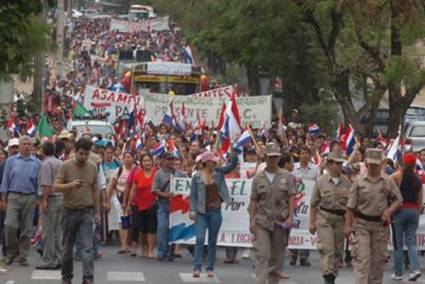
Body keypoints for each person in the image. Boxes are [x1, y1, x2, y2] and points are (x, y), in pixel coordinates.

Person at [345, 148, 402, 284]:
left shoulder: (387, 181)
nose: (374, 167)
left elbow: (398, 200)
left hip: (380, 227)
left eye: (377, 164)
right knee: (362, 261)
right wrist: (347, 226)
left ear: (381, 163)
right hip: (361, 225)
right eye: (371, 164)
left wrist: (389, 210)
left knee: (377, 263)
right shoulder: (359, 181)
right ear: (366, 163)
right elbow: (350, 207)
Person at [54, 138, 100, 284]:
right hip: (69, 210)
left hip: (86, 210)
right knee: (68, 246)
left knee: (87, 247)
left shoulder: (93, 166)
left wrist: (97, 212)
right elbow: (56, 186)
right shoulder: (66, 166)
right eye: (81, 154)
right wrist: (71, 185)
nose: (83, 157)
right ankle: (66, 276)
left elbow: (95, 190)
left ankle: (88, 277)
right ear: (75, 151)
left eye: (86, 154)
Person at [249, 142, 295, 284]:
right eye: (270, 157)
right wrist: (252, 221)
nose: (273, 160)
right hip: (262, 220)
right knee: (262, 254)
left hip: (280, 221)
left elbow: (291, 197)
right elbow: (254, 201)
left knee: (276, 256)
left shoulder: (286, 176)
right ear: (265, 158)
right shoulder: (258, 178)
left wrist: (290, 217)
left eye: (275, 157)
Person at [189, 150, 238, 277]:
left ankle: (210, 268)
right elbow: (193, 195)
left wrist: (234, 153)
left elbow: (232, 165)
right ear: (206, 162)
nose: (215, 163)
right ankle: (197, 267)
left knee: (212, 241)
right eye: (212, 161)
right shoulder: (197, 176)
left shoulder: (219, 173)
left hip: (215, 212)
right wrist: (192, 210)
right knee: (199, 239)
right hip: (201, 213)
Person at [309, 151, 351, 284]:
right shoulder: (321, 181)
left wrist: (349, 225)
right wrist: (312, 222)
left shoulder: (346, 182)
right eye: (336, 163)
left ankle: (332, 275)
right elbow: (313, 204)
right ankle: (328, 278)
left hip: (340, 219)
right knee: (328, 249)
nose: (339, 166)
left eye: (340, 163)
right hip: (324, 218)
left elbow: (350, 207)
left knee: (338, 251)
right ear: (329, 164)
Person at [0, 136, 41, 266]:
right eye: (24, 143)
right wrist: (3, 199)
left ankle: (23, 255)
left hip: (30, 197)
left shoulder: (37, 163)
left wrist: (39, 199)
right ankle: (11, 253)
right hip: (13, 196)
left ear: (32, 146)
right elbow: (5, 181)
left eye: (29, 144)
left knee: (26, 228)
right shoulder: (11, 161)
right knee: (9, 225)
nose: (26, 146)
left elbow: (39, 183)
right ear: (19, 145)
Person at [391, 153, 423, 281]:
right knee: (411, 242)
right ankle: (415, 269)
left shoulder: (398, 175)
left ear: (404, 163)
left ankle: (398, 273)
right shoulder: (418, 179)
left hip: (400, 210)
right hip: (414, 211)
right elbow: (420, 200)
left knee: (398, 242)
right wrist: (417, 212)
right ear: (415, 164)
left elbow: (387, 181)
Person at [152, 152, 185, 261]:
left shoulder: (180, 174)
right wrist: (165, 195)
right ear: (163, 160)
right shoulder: (158, 174)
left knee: (175, 229)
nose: (172, 161)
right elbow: (154, 190)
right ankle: (162, 251)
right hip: (163, 204)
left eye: (173, 159)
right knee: (162, 227)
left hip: (177, 206)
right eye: (169, 159)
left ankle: (171, 251)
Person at [36, 142, 64, 270]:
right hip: (61, 198)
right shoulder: (59, 162)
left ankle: (49, 260)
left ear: (43, 151)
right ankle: (59, 258)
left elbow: (46, 184)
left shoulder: (46, 164)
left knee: (47, 232)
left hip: (51, 199)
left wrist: (44, 200)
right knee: (57, 231)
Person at [290, 146, 319, 266]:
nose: (305, 155)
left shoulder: (315, 169)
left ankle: (304, 256)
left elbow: (318, 185)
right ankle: (293, 254)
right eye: (302, 153)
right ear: (299, 155)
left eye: (307, 153)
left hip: (309, 203)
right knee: (294, 225)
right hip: (296, 201)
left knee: (306, 227)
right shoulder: (294, 168)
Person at [127, 153, 157, 257]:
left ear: (152, 162)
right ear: (141, 163)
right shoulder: (137, 175)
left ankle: (151, 250)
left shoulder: (156, 174)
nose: (147, 163)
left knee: (152, 228)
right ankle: (144, 246)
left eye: (149, 160)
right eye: (145, 161)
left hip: (152, 205)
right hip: (140, 204)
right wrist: (128, 204)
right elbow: (133, 190)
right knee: (143, 228)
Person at [107, 151, 134, 254]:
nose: (127, 159)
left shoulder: (136, 170)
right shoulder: (119, 170)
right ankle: (123, 245)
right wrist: (107, 200)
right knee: (122, 220)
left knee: (130, 221)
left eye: (129, 157)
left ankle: (129, 242)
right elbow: (111, 186)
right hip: (119, 197)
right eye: (125, 157)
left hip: (132, 198)